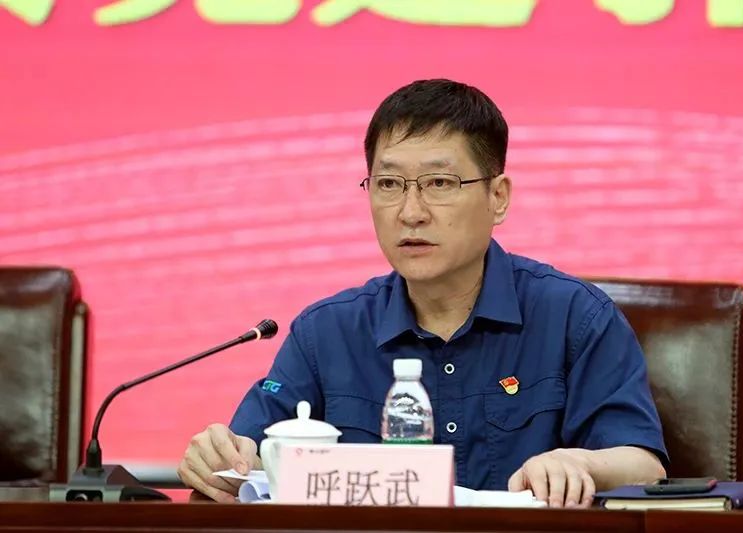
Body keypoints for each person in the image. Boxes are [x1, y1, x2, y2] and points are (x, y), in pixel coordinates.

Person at [177, 79, 668, 507]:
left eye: (439, 183)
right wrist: (221, 457)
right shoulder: (326, 333)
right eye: (390, 184)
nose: (411, 212)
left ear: (498, 197)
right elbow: (247, 455)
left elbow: (644, 464)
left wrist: (579, 463)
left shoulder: (574, 317)